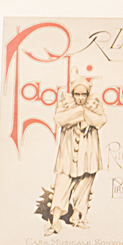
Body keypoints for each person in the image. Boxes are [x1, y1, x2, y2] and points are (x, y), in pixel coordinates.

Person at [45, 81, 107, 236]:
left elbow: (100, 120)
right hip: (67, 153)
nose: (80, 98)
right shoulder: (65, 105)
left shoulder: (95, 105)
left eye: (83, 94)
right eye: (77, 94)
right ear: (72, 95)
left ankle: (77, 215)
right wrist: (81, 112)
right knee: (62, 182)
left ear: (87, 94)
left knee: (86, 182)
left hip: (89, 152)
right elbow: (59, 119)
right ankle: (55, 221)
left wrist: (82, 114)